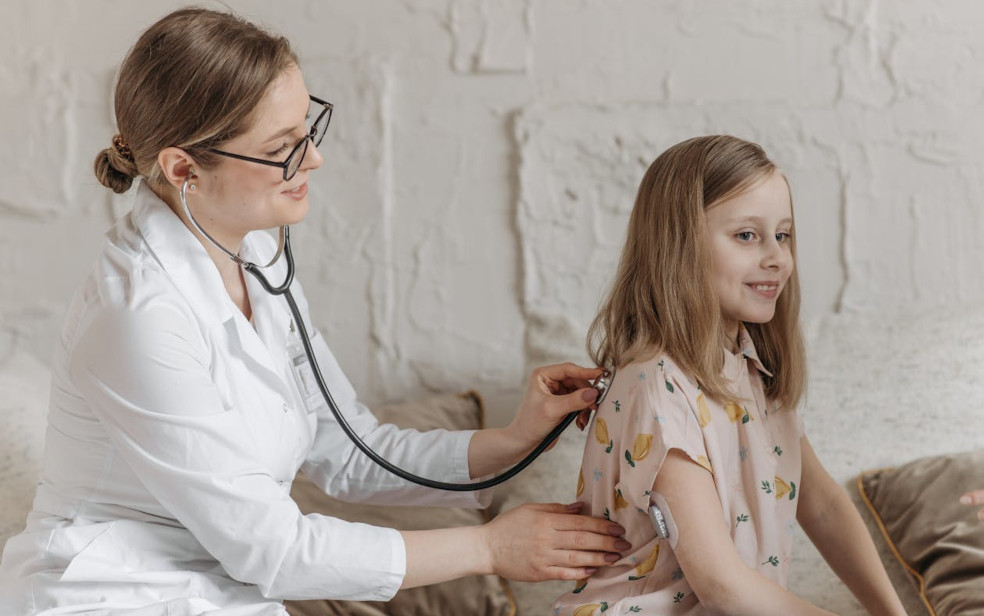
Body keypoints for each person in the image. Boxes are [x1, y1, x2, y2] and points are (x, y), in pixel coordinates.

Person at [0, 8, 629, 616]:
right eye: (283, 146)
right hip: (114, 598)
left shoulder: (257, 259)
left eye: (308, 129)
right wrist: (489, 549)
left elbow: (352, 452)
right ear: (184, 168)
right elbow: (272, 549)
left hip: (220, 593)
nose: (314, 160)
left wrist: (515, 440)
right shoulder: (134, 319)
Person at [554, 135, 907, 615]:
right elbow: (721, 585)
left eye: (782, 235)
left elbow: (822, 507)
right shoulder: (656, 384)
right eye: (747, 235)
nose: (777, 257)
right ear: (679, 247)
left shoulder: (752, 372)